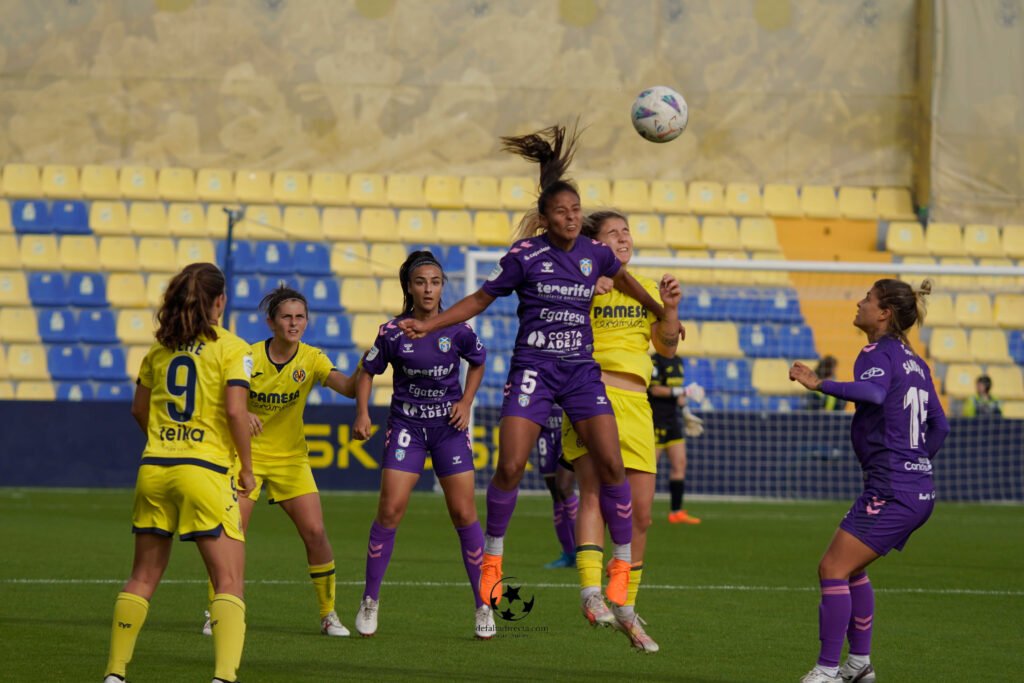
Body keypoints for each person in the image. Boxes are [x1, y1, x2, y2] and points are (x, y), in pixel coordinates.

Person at [397, 124, 667, 612]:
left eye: (576, 210)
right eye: (561, 211)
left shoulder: (595, 254)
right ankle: (494, 557)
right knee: (510, 465)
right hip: (534, 371)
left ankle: (621, 566)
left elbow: (625, 280)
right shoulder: (525, 256)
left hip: (581, 373)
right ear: (545, 218)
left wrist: (660, 308)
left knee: (611, 467)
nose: (570, 217)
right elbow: (481, 297)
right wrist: (434, 324)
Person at [789, 278, 949, 683]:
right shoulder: (916, 361)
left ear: (884, 313)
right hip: (911, 487)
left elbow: (875, 395)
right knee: (853, 570)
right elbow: (940, 427)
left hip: (893, 488)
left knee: (831, 569)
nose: (859, 304)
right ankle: (859, 665)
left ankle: (827, 670)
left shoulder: (876, 352)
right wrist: (915, 464)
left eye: (867, 299)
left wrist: (818, 383)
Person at [103, 263, 254, 683]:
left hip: (154, 468)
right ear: (219, 301)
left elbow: (138, 409)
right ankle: (224, 676)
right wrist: (248, 469)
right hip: (204, 471)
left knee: (143, 575)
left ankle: (115, 672)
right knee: (228, 579)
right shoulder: (232, 348)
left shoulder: (160, 348)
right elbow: (237, 411)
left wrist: (167, 442)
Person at [199, 285, 361, 638]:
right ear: (271, 322)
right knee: (232, 533)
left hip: (291, 459)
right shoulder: (248, 356)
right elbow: (217, 398)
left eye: (300, 317)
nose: (294, 323)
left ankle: (328, 614)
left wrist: (369, 364)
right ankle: (217, 610)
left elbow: (348, 388)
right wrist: (241, 413)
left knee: (316, 533)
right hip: (247, 456)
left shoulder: (312, 359)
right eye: (286, 317)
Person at [351, 250, 492, 639]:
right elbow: (367, 371)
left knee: (464, 513)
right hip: (407, 427)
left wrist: (466, 401)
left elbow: (479, 361)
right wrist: (362, 413)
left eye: (435, 282)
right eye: (420, 282)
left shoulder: (458, 328)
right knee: (390, 509)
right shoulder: (392, 332)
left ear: (443, 286)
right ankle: (370, 600)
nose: (428, 289)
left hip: (448, 427)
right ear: (408, 287)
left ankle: (483, 604)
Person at [561, 210, 682, 653]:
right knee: (592, 492)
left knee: (642, 514)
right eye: (612, 232)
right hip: (591, 393)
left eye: (626, 230)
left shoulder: (646, 287)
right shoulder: (575, 281)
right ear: (593, 244)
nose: (623, 237)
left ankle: (626, 608)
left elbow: (667, 346)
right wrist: (586, 285)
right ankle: (591, 592)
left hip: (637, 405)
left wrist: (670, 309)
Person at [648, 351, 705, 524]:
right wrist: (686, 390)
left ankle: (676, 512)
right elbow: (655, 389)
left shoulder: (679, 360)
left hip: (673, 420)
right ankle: (642, 512)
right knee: (649, 470)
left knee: (680, 464)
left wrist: (686, 412)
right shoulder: (654, 360)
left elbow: (678, 394)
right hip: (655, 420)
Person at [535, 406, 578, 569]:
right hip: (545, 429)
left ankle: (583, 551)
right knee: (556, 493)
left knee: (564, 487)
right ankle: (568, 553)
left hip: (566, 426)